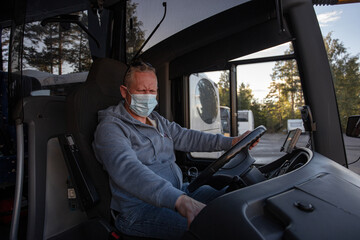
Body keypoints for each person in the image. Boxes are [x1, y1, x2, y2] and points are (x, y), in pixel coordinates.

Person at [92, 61, 258, 239]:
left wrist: (231, 142)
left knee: (234, 204)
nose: (148, 96)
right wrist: (180, 201)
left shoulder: (155, 119)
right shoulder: (110, 128)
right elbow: (129, 171)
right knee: (214, 229)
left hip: (179, 191)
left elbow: (187, 137)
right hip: (139, 210)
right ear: (125, 92)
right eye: (141, 91)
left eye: (152, 91)